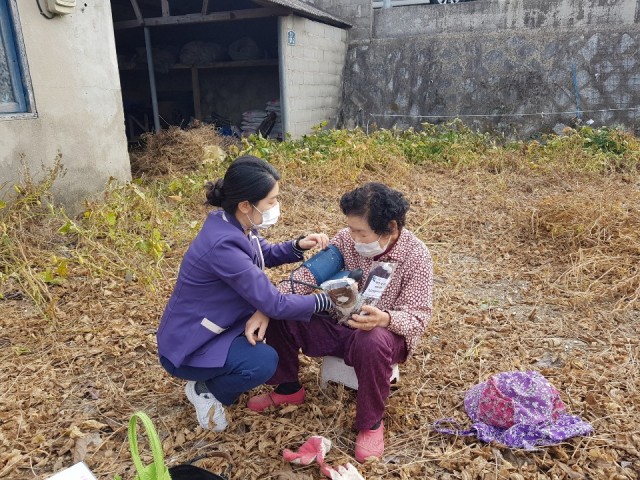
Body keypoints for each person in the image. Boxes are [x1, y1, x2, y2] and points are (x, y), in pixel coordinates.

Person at [247, 182, 434, 462]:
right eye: (352, 229)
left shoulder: (416, 256)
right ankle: (288, 388)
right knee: (283, 311)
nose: (355, 238)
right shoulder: (346, 240)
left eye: (362, 232)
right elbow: (307, 276)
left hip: (383, 336)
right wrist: (268, 307)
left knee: (371, 339)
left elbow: (419, 315)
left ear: (391, 228)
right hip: (339, 325)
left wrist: (385, 319)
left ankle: (370, 423)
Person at [156, 155, 332, 432]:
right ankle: (206, 390)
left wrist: (298, 245)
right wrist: (326, 301)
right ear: (246, 205)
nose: (276, 206)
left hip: (215, 326)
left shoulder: (233, 224)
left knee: (265, 334)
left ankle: (219, 375)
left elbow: (265, 254)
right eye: (271, 201)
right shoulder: (223, 246)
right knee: (263, 362)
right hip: (192, 344)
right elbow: (275, 303)